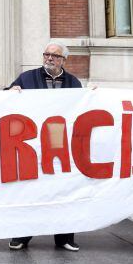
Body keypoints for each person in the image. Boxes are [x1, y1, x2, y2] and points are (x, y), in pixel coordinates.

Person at [8, 41, 82, 252]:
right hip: (34, 144)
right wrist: (10, 91)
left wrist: (91, 97)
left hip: (61, 145)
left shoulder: (74, 83)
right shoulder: (27, 78)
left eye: (54, 56)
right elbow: (6, 98)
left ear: (63, 60)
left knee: (64, 190)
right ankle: (22, 235)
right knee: (31, 190)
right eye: (46, 54)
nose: (49, 58)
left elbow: (81, 109)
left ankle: (64, 237)